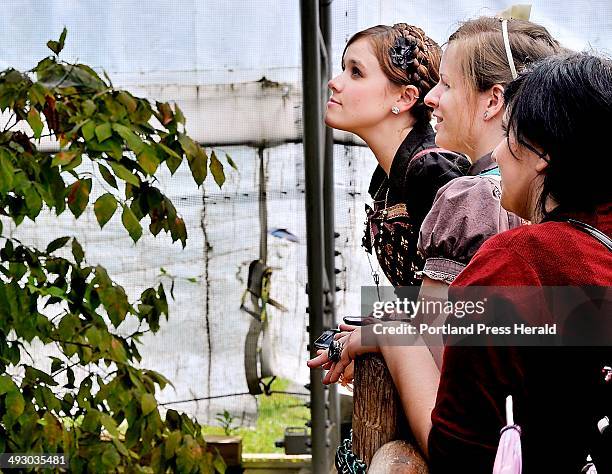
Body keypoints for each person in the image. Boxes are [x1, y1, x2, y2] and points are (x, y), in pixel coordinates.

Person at [309, 16, 562, 469]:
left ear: (492, 101)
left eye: (445, 84)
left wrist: (384, 332)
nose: (432, 98)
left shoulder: (460, 190)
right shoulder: (545, 204)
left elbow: (444, 369)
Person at [427, 51, 612, 473]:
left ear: (543, 151)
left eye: (508, 134)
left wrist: (391, 341)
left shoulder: (515, 266)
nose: (496, 153)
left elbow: (458, 455)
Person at [325, 23, 469, 289]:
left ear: (405, 98)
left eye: (356, 72)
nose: (334, 82)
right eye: (344, 68)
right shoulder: (388, 174)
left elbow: (468, 305)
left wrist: (386, 332)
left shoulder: (433, 172)